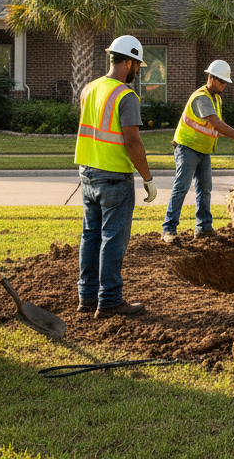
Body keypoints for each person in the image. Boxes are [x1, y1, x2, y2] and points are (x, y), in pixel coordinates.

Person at [74, 35, 158, 318]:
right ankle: (109, 300)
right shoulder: (126, 96)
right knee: (112, 239)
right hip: (114, 177)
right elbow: (132, 141)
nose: (138, 71)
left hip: (87, 174)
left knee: (90, 237)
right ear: (129, 62)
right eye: (138, 66)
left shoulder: (89, 88)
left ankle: (87, 297)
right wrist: (147, 177)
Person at [161, 60, 234, 244]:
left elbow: (216, 129)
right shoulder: (202, 97)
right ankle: (168, 229)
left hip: (202, 150)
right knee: (181, 187)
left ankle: (203, 227)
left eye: (225, 83)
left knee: (205, 189)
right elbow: (216, 123)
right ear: (210, 78)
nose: (223, 86)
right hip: (187, 147)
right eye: (221, 82)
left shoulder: (216, 98)